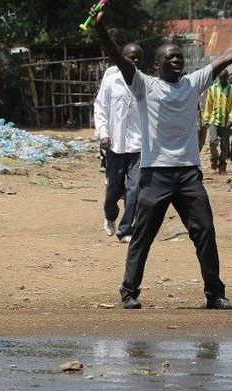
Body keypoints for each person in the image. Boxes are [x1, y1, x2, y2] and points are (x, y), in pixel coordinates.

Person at [90, 7, 232, 310]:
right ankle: (129, 291)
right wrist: (100, 30)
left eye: (179, 56)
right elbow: (120, 60)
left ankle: (214, 293)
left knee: (205, 231)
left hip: (188, 174)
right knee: (142, 236)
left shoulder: (194, 82)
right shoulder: (145, 86)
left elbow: (228, 56)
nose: (177, 59)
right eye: (170, 57)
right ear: (157, 64)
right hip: (155, 175)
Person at [93, 43, 143, 243]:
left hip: (139, 145)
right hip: (115, 144)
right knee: (113, 190)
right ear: (121, 57)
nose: (135, 60)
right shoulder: (111, 78)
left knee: (136, 188)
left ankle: (125, 229)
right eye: (131, 57)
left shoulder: (144, 81)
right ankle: (110, 215)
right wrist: (103, 133)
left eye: (139, 57)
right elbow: (101, 107)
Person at [202, 69, 232, 174]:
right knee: (212, 142)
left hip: (226, 122)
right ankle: (214, 161)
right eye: (220, 78)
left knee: (225, 145)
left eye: (224, 78)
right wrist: (206, 119)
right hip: (214, 120)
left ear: (227, 78)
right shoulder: (213, 89)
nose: (222, 80)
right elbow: (208, 105)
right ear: (218, 78)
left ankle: (222, 165)